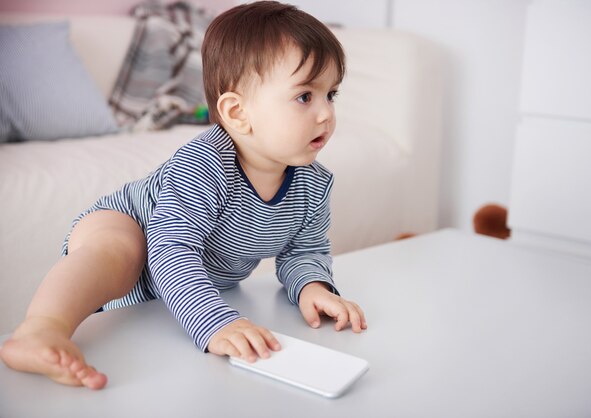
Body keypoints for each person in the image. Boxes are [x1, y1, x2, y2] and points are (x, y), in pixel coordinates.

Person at [0, 1, 367, 390]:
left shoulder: (312, 184)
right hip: (135, 226)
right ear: (238, 113)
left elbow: (304, 251)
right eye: (305, 97)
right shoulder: (206, 164)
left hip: (176, 284)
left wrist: (313, 287)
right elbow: (169, 248)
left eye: (332, 95)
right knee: (120, 250)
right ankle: (39, 330)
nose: (326, 114)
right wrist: (215, 321)